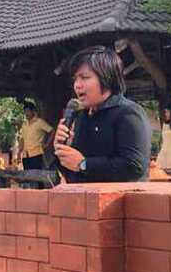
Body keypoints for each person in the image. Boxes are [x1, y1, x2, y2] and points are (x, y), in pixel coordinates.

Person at [54, 46, 151, 183]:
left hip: (119, 196)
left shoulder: (128, 113)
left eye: (85, 77)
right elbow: (72, 171)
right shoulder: (81, 116)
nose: (77, 85)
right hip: (82, 195)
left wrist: (84, 164)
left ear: (107, 78)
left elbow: (134, 167)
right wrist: (62, 150)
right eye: (75, 79)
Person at [17, 102, 53, 170]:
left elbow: (51, 131)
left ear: (33, 111)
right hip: (25, 156)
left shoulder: (39, 122)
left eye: (28, 111)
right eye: (25, 112)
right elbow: (22, 139)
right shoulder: (24, 124)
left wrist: (47, 144)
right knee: (27, 175)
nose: (26, 114)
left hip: (36, 155)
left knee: (36, 174)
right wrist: (19, 153)